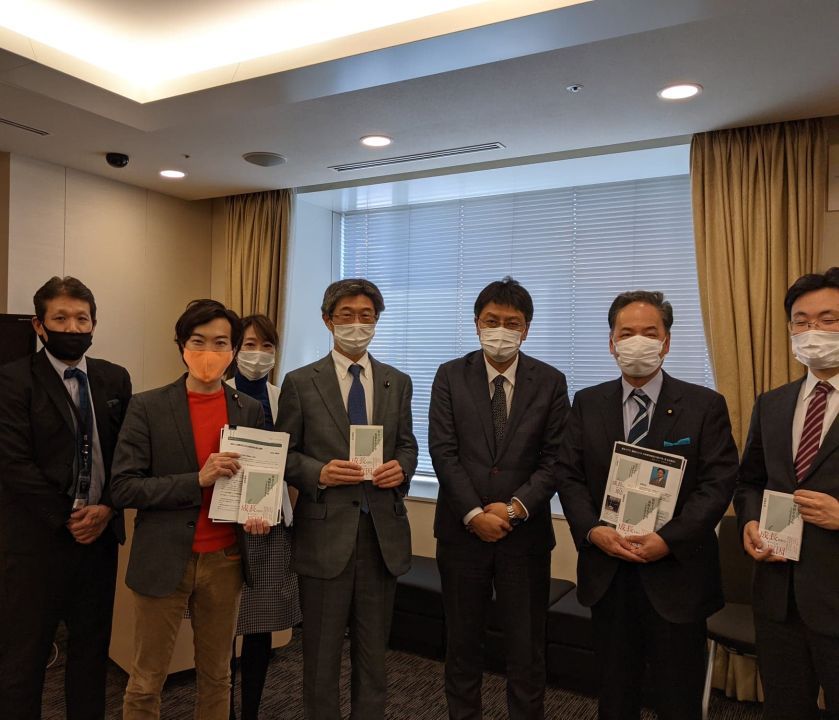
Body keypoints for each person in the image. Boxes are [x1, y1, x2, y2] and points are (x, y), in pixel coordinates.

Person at [557, 290, 738, 720]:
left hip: (677, 575)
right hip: (609, 573)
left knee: (678, 698)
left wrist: (668, 539)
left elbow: (717, 484)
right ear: (612, 343)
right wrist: (592, 530)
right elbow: (568, 475)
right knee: (615, 694)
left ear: (666, 342)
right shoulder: (587, 402)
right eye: (627, 333)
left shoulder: (704, 405)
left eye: (649, 332)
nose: (637, 341)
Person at [111, 299, 268, 720]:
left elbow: (255, 479)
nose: (209, 352)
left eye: (221, 343)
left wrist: (257, 511)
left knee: (218, 676)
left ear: (233, 350)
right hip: (163, 556)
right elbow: (124, 487)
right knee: (146, 680)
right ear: (181, 345)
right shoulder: (147, 406)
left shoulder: (248, 409)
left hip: (226, 559)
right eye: (198, 341)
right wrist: (196, 480)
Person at [276, 278, 417, 719]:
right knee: (320, 658)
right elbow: (283, 453)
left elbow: (408, 445)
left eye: (366, 316)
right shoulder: (300, 382)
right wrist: (318, 472)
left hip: (381, 537)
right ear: (327, 320)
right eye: (346, 315)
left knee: (374, 657)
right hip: (325, 537)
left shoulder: (397, 381)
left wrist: (402, 468)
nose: (357, 324)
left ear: (376, 321)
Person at [428, 277, 569, 720]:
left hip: (523, 537)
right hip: (461, 535)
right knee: (462, 645)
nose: (501, 330)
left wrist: (513, 508)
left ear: (527, 329)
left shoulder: (550, 381)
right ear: (476, 324)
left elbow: (556, 458)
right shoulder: (450, 375)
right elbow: (443, 451)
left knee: (526, 651)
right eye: (492, 321)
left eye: (512, 322)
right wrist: (474, 513)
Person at [0, 276, 132, 720]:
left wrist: (107, 507)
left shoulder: (115, 378)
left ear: (94, 323)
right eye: (60, 318)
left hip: (99, 543)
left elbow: (127, 456)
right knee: (24, 660)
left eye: (82, 319)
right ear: (39, 325)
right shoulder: (12, 380)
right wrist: (70, 517)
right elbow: (13, 464)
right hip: (36, 543)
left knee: (91, 658)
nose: (73, 328)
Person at [735, 267, 839, 720]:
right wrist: (749, 521)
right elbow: (749, 481)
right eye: (802, 320)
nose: (813, 330)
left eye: (828, 319)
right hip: (779, 594)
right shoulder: (772, 403)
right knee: (784, 708)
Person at [226, 314, 301, 720]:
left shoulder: (283, 397)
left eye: (267, 346)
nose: (258, 354)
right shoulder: (218, 393)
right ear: (235, 349)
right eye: (249, 345)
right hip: (225, 526)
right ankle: (221, 709)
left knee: (260, 625)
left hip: (271, 525)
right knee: (221, 627)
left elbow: (293, 462)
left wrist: (283, 507)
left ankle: (250, 711)